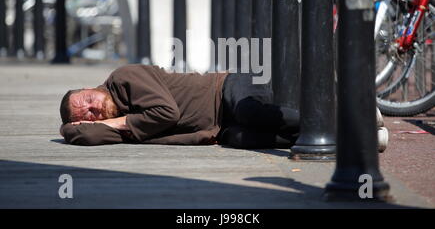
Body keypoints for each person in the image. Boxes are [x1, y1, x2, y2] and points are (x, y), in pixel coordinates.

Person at [59, 64, 300, 148]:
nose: (95, 109)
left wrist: (113, 123)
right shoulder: (117, 127)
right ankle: (304, 136)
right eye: (89, 115)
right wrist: (67, 128)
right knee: (242, 139)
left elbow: (166, 113)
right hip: (219, 127)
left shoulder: (123, 79)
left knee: (248, 112)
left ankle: (322, 124)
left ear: (91, 88)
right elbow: (81, 136)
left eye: (89, 100)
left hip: (225, 87)